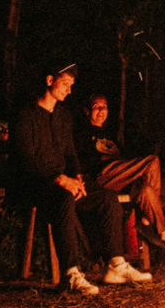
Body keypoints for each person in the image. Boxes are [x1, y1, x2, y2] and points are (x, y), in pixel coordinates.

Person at [9, 62, 152, 295]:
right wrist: (60, 179)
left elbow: (70, 154)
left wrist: (76, 176)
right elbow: (26, 159)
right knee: (64, 197)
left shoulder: (63, 116)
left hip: (61, 180)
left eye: (71, 85)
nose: (69, 90)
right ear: (49, 81)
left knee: (107, 198)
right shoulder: (26, 115)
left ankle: (116, 265)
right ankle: (71, 274)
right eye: (65, 84)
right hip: (32, 182)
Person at [75, 94, 165, 248]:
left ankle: (157, 228)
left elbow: (126, 159)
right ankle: (150, 221)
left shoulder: (110, 136)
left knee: (145, 189)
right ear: (87, 110)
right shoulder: (82, 134)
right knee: (152, 161)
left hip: (121, 177)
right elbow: (82, 161)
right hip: (102, 176)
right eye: (96, 106)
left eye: (104, 106)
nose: (101, 110)